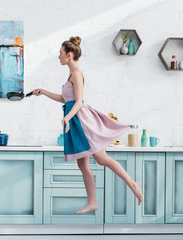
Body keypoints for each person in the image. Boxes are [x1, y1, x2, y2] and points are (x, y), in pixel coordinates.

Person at [30, 36, 143, 214]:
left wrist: (67, 118)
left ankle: (133, 184)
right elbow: (66, 99)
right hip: (75, 121)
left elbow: (79, 102)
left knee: (102, 159)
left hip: (82, 121)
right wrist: (43, 92)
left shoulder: (77, 74)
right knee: (83, 165)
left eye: (60, 53)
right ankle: (92, 202)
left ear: (69, 55)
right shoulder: (70, 74)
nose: (58, 56)